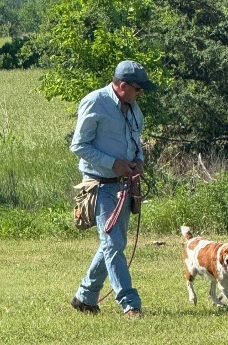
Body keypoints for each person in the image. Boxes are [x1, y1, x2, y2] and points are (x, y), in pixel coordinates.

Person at [69, 60, 156, 318]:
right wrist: (113, 163)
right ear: (121, 85)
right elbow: (79, 145)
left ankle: (85, 297)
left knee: (113, 244)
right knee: (113, 244)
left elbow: (136, 139)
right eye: (137, 89)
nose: (140, 94)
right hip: (101, 186)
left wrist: (138, 159)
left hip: (125, 185)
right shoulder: (95, 102)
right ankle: (130, 304)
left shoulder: (133, 107)